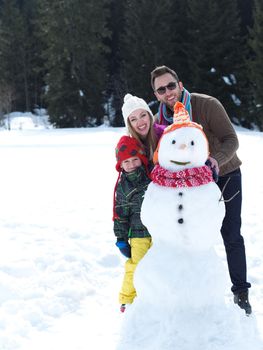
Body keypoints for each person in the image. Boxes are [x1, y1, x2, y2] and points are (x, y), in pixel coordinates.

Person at [150, 65, 252, 315]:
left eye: (171, 85)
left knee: (230, 234)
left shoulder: (206, 105)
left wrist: (215, 159)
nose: (168, 92)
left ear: (180, 85)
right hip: (191, 187)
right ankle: (195, 295)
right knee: (191, 239)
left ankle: (241, 293)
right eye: (161, 89)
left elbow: (232, 139)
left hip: (225, 175)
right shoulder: (159, 120)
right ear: (156, 95)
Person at [113, 135, 152, 312]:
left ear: (142, 158)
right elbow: (120, 214)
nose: (131, 164)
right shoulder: (122, 187)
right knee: (136, 266)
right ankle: (127, 299)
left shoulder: (152, 176)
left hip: (159, 231)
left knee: (159, 264)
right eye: (126, 161)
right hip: (138, 235)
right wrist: (121, 238)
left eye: (135, 159)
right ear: (120, 165)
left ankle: (154, 296)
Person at [121, 93, 165, 165]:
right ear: (129, 124)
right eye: (133, 119)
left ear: (149, 115)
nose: (140, 122)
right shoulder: (128, 147)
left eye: (143, 115)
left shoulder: (165, 134)